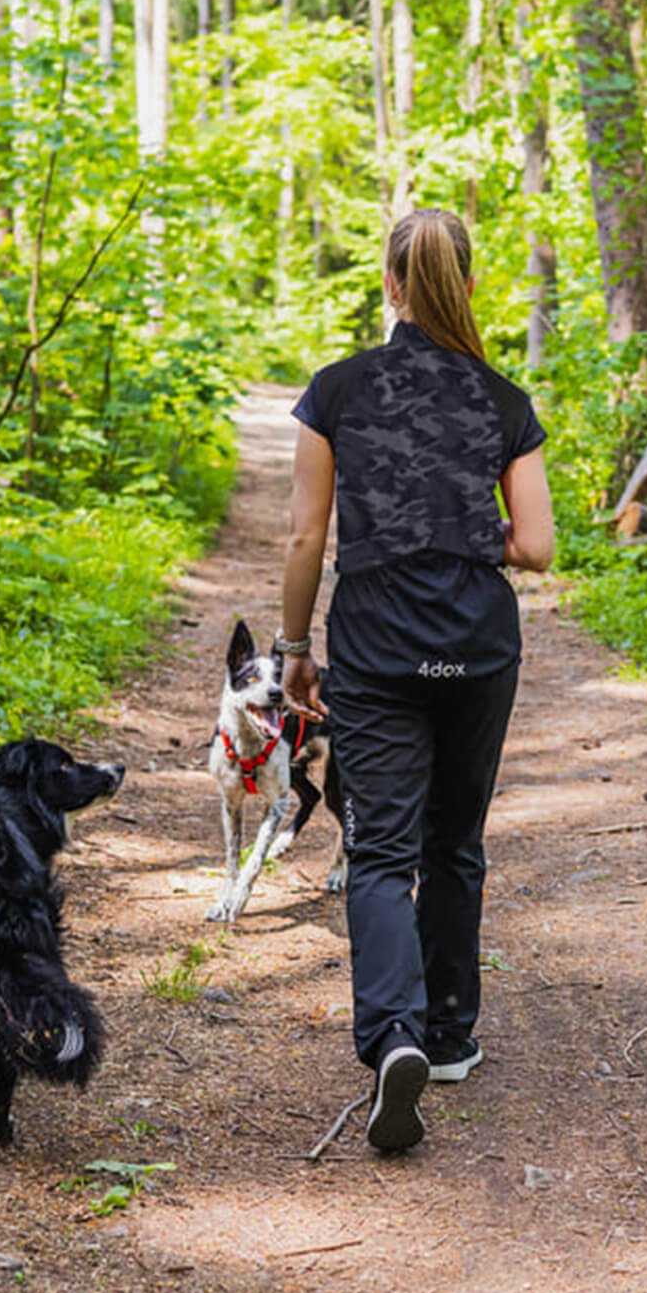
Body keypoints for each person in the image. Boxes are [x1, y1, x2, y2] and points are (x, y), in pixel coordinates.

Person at [278, 208, 554, 1152]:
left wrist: (293, 650)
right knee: (456, 842)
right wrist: (468, 535)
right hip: (478, 646)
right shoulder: (504, 400)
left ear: (391, 286)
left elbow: (307, 536)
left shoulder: (337, 391)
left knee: (381, 848)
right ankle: (449, 1035)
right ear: (466, 284)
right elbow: (540, 547)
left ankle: (391, 1033)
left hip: (376, 645)